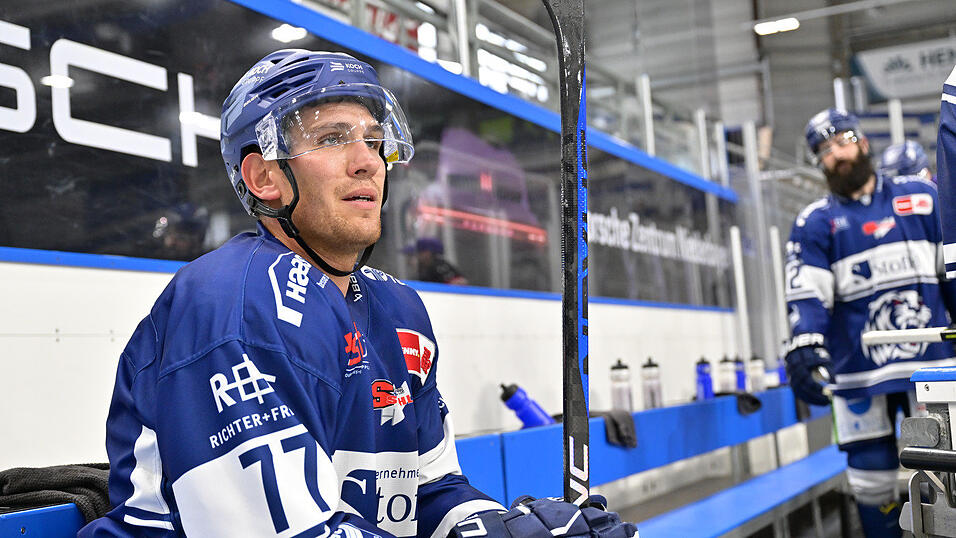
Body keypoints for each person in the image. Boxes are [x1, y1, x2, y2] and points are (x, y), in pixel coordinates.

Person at [78, 49, 638, 538]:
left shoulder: (399, 311)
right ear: (264, 178)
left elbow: (432, 490)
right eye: (331, 139)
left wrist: (498, 529)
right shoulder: (230, 302)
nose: (368, 159)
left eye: (374, 140)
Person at [785, 108, 956, 537]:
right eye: (823, 150)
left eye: (841, 140)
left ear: (861, 141)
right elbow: (808, 295)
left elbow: (950, 270)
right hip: (859, 372)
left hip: (930, 367)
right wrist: (805, 343)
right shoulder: (814, 223)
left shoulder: (921, 197)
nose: (835, 153)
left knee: (944, 474)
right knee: (871, 479)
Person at [403, 237, 468, 285]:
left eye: (420, 252)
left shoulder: (440, 266)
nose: (417, 255)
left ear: (428, 253)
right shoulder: (422, 268)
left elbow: (460, 282)